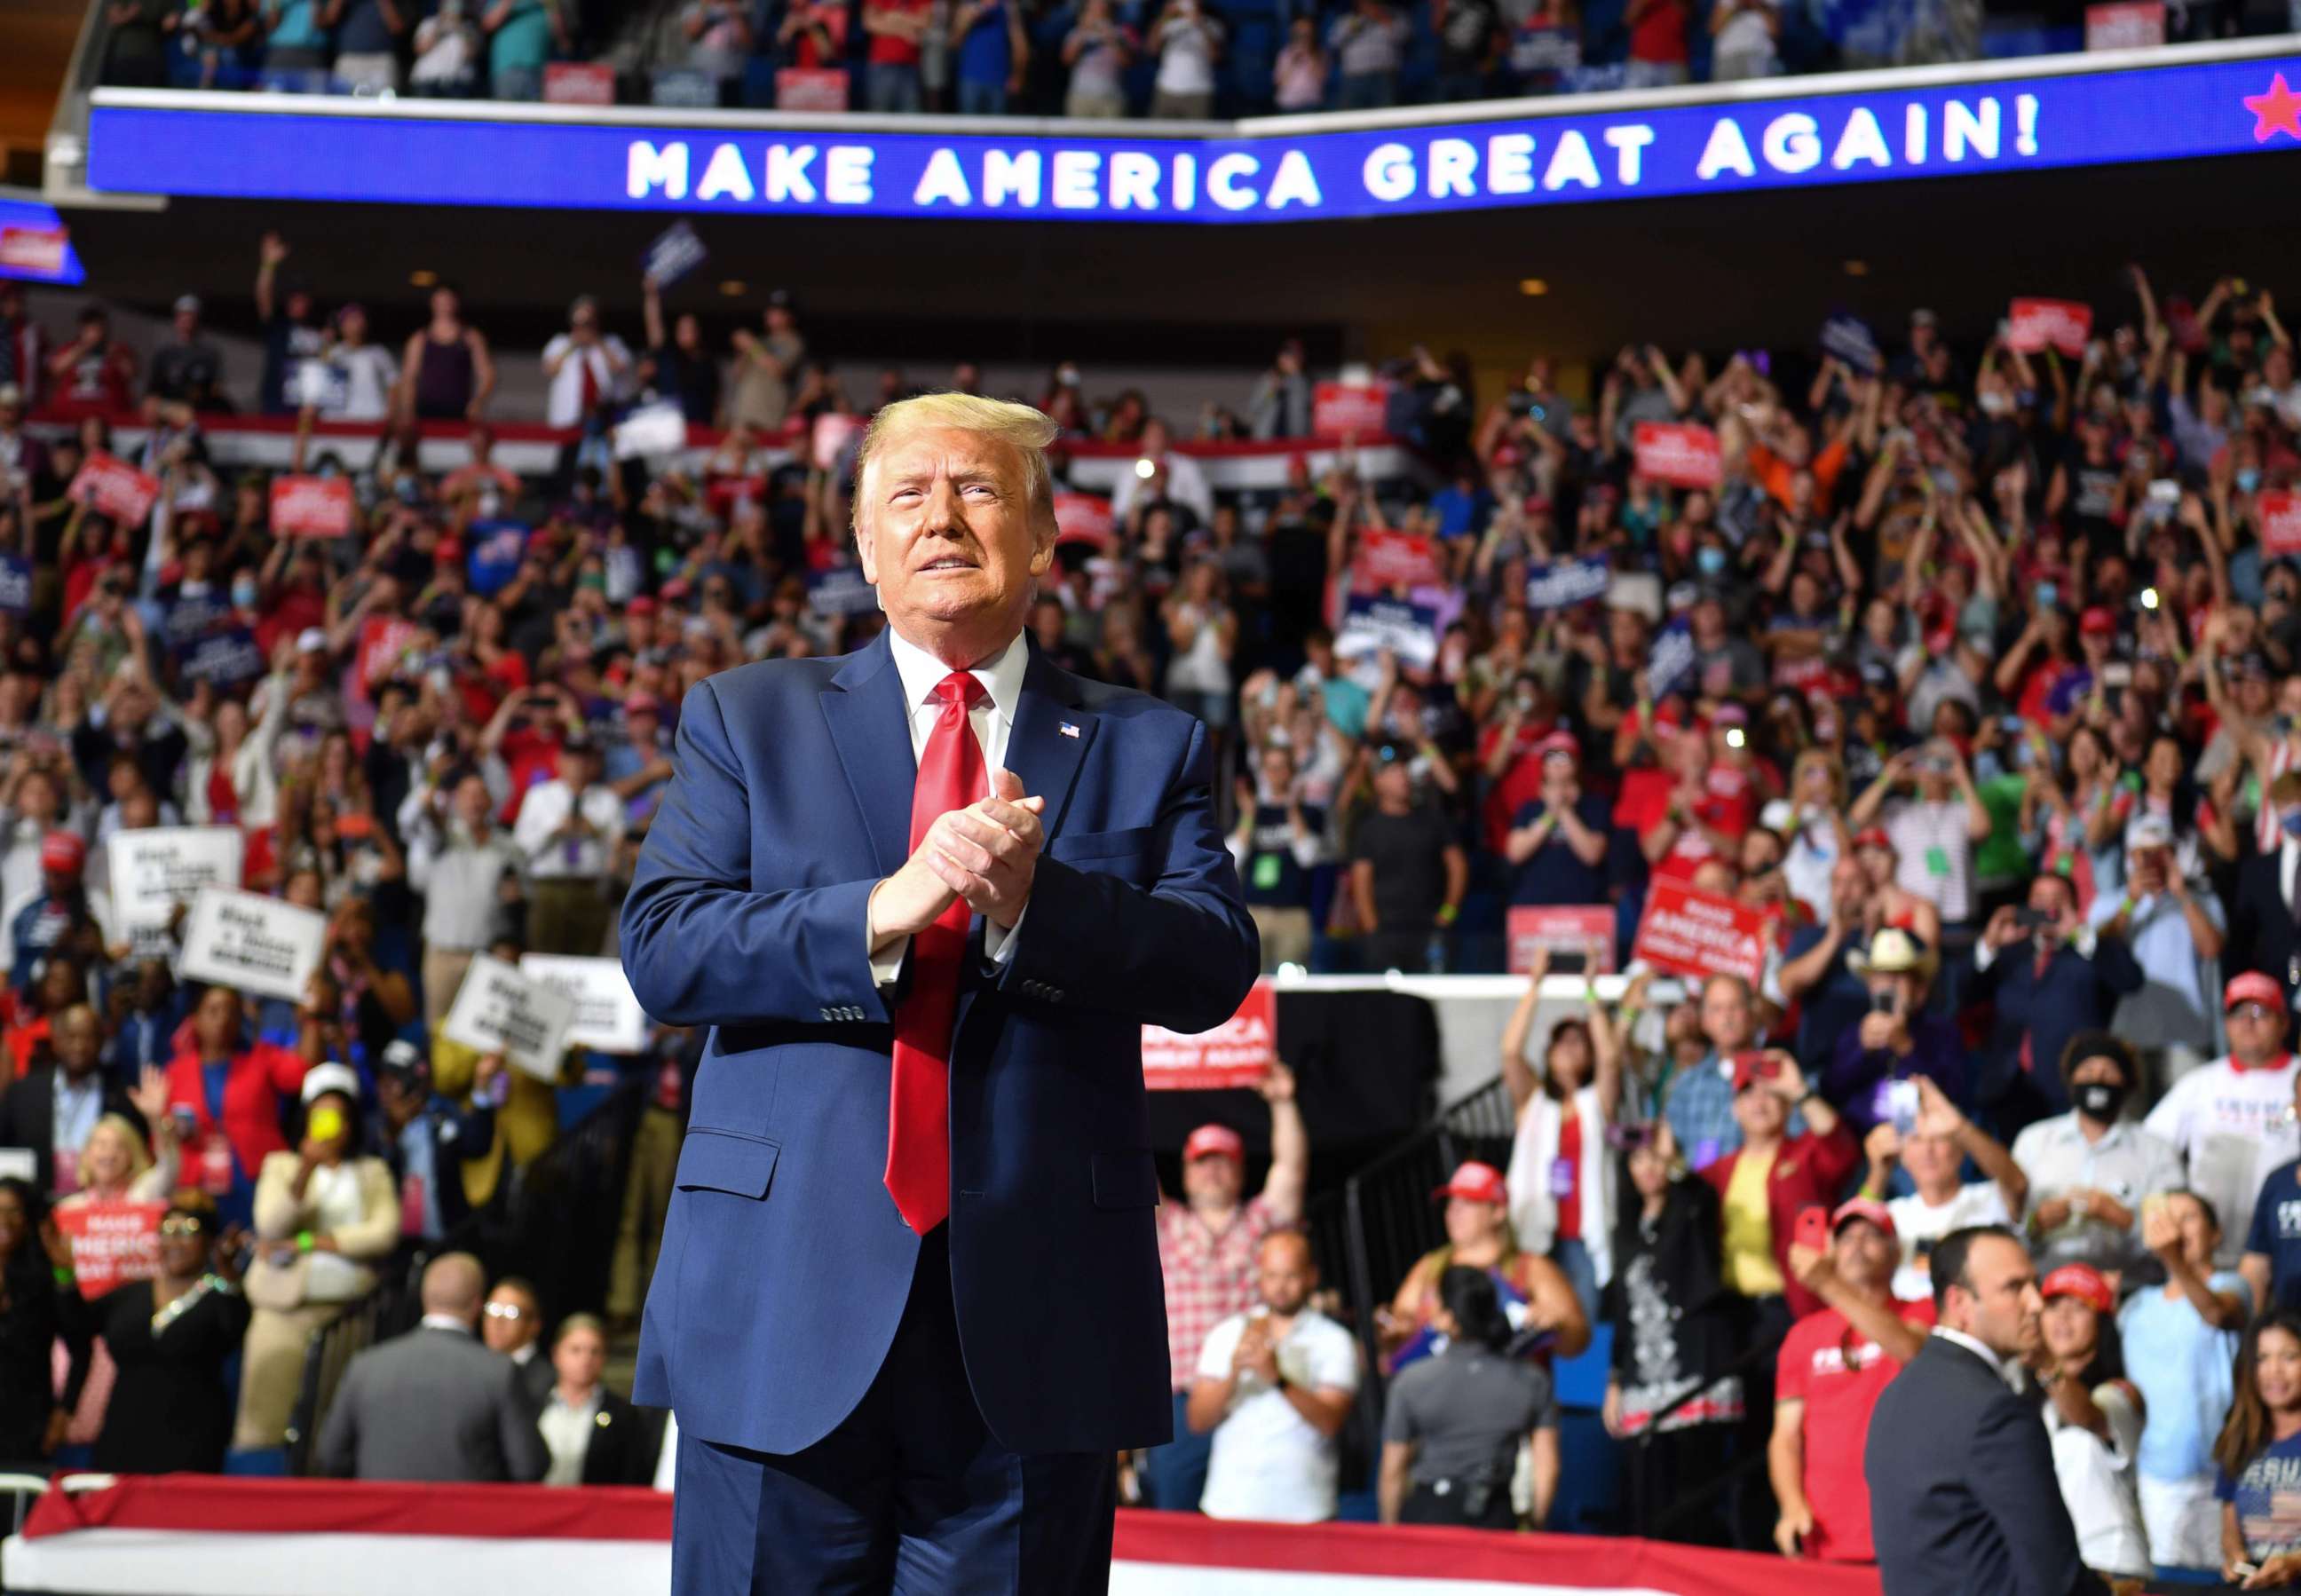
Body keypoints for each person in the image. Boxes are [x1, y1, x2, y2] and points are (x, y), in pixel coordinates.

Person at [618, 392, 1259, 1592]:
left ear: (1045, 533)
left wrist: (1036, 902)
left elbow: (1212, 961)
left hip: (1036, 1329)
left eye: (979, 490)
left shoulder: (1148, 740)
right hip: (777, 1302)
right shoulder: (744, 717)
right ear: (864, 545)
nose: (942, 517)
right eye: (907, 494)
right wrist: (880, 908)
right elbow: (666, 945)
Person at [1864, 1226, 2107, 1596]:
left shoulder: (1893, 1396)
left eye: (2034, 1284)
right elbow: (2056, 1580)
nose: (2036, 1303)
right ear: (1960, 1303)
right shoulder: (1996, 1412)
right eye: (2014, 1288)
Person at [1143, 1065, 1307, 1513]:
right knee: (1176, 1524)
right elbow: (1132, 1156)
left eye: (1224, 1160)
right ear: (1186, 1172)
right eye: (1203, 1161)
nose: (1213, 1171)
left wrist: (1282, 1101)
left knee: (1257, 1519)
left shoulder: (1261, 1223)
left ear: (1239, 1172)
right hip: (1183, 1400)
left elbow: (1291, 1168)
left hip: (1254, 1394)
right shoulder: (1165, 1224)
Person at [233, 1063, 399, 1451]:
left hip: (349, 1313)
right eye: (320, 1114)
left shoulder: (372, 1171)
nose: (331, 1124)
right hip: (283, 1310)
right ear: (305, 1117)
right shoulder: (281, 1166)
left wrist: (309, 1242)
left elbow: (384, 1233)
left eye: (339, 1116)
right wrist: (305, 1169)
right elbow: (271, 1228)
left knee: (332, 1424)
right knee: (265, 1421)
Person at [1601, 1123, 1742, 1545]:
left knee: (1696, 1481)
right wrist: (1614, 1380)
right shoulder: (1625, 1231)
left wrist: (1674, 1161)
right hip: (1644, 1369)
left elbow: (1700, 1199)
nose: (1648, 1169)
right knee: (1649, 1489)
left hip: (1695, 1362)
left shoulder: (1692, 1204)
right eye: (1639, 1160)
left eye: (1656, 1159)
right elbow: (1623, 1311)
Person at [1769, 1199, 1933, 1563]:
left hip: (1905, 1533)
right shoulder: (1803, 1335)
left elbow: (1908, 1348)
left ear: (1896, 1253)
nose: (1857, 1245)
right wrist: (1792, 1507)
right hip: (1825, 1534)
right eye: (1846, 1238)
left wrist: (1827, 1282)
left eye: (1872, 1236)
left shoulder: (1921, 1310)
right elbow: (1785, 1437)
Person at [317, 1252, 549, 1483]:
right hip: (467, 1517)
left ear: (424, 1297)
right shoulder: (499, 1372)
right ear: (478, 1304)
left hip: (383, 1517)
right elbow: (529, 1467)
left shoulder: (365, 1367)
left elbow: (330, 1456)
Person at [1184, 1231, 1358, 1523]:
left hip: (1305, 1510)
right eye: (1272, 1275)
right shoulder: (1228, 1333)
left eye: (1291, 1276)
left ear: (1311, 1277)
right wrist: (1235, 1371)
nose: (1280, 1287)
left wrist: (1277, 1378)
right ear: (1259, 1276)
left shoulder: (1334, 1340)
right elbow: (1198, 1421)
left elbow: (1331, 1422)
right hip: (1230, 1505)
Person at [2122, 1189, 2251, 1572]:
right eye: (2168, 1218)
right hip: (2156, 1477)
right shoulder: (2136, 1306)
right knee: (2170, 1582)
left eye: (2189, 1217)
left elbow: (2215, 1313)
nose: (2176, 1229)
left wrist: (2173, 1259)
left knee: (2225, 1579)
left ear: (2216, 1233)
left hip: (2223, 1475)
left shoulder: (2233, 1285)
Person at [1380, 1265, 1560, 1529]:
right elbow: (1547, 1467)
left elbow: (1393, 1471)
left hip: (1428, 1519)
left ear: (1447, 1318)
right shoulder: (1531, 1381)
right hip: (1497, 1518)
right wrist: (1536, 1526)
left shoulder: (1411, 1381)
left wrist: (1390, 1535)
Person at [1966, 872, 2144, 1134]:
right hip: (2007, 1087)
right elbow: (1966, 995)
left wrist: (2081, 935)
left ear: (2075, 906)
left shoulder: (2091, 949)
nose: (2048, 907)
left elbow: (2130, 981)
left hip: (2068, 1089)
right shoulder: (2010, 951)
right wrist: (1989, 944)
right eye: (2039, 899)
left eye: (2058, 899)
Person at [2147, 973, 2301, 1271]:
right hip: (2211, 1250)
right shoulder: (2201, 1082)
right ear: (2226, 1024)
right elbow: (2152, 1149)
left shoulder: (2299, 1076)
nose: (2248, 1022)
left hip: (2288, 1242)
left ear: (2283, 1022)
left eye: (2260, 1012)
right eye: (2237, 1013)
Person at [1500, 960, 1625, 1317]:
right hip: (1531, 1234)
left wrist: (1590, 989)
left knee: (1580, 1325)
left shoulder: (1595, 1104)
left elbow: (1612, 1058)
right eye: (1562, 1041)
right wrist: (1535, 983)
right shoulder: (1533, 1103)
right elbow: (1510, 1052)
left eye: (1578, 1042)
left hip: (1582, 1237)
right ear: (1549, 1053)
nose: (1570, 1047)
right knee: (1529, 1322)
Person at [91, 1194, 250, 1474]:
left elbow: (235, 1325)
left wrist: (228, 1272)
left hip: (191, 1438)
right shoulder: (130, 1294)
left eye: (187, 1232)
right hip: (123, 1433)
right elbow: (76, 1324)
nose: (174, 1241)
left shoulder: (218, 1294)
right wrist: (63, 1273)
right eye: (166, 1231)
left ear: (209, 1241)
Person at [1380, 1160, 1590, 1370]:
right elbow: (1396, 1329)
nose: (1454, 1211)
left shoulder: (1530, 1269)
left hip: (1508, 1392)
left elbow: (1577, 1341)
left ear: (1498, 1211)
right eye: (1451, 1203)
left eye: (1467, 1202)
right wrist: (1392, 1329)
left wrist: (1555, 1324)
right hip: (1439, 1394)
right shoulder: (1430, 1267)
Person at [1700, 1050, 1855, 1322]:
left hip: (1793, 1305)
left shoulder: (1805, 1154)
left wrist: (1798, 1090)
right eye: (1748, 1094)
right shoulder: (1717, 1171)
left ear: (1787, 1106)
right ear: (1735, 1109)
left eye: (1770, 1093)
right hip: (1731, 1311)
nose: (1759, 1102)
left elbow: (1840, 1147)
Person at [2013, 1031, 2183, 1277]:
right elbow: (2010, 1225)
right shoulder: (2034, 1141)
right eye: (2088, 1071)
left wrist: (2120, 1217)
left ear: (2127, 1082)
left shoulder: (2157, 1150)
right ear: (2071, 1079)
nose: (2098, 1079)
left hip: (2128, 1288)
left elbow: (2177, 1236)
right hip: (2049, 1284)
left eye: (2109, 1071)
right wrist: (2036, 1223)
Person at [2033, 1263, 2150, 1581]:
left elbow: (2088, 1418)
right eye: (2053, 1307)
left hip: (2113, 1566)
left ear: (2102, 1321)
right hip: (2054, 1566)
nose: (2062, 1319)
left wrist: (2045, 1361)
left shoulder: (2123, 1393)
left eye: (2078, 1307)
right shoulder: (2026, 1392)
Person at [1863, 1076, 2028, 1300]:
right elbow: (1853, 1240)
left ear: (1961, 1151)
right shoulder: (1893, 1214)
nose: (1928, 1151)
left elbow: (2018, 1184)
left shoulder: (1990, 1198)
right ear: (1903, 1157)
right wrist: (1878, 1172)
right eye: (1916, 1140)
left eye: (1940, 1139)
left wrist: (1959, 1127)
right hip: (1909, 1326)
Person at [162, 983, 311, 1227]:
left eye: (231, 1011)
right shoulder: (176, 1072)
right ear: (195, 1020)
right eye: (213, 1010)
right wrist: (165, 1124)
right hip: (197, 1186)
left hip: (257, 1180)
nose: (223, 1018)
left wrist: (311, 1019)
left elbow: (301, 1074)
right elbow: (163, 1136)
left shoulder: (261, 1058)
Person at [0, 1002, 144, 1194]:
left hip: (99, 1205)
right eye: (71, 1037)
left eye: (88, 1037)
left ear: (101, 1042)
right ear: (56, 1041)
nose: (79, 1046)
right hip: (36, 1205)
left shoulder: (122, 1095)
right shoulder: (23, 1092)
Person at [1349, 742, 1466, 973]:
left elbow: (1457, 866)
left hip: (1431, 927)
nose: (1402, 777)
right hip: (1387, 930)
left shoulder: (1433, 819)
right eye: (1392, 772)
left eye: (1403, 770)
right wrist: (1373, 929)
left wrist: (1448, 913)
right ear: (1378, 782)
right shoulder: (1369, 829)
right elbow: (1360, 882)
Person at [2213, 1308, 2301, 1588]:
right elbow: (2230, 1530)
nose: (2274, 1370)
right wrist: (2235, 1559)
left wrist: (2294, 1564)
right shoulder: (2239, 1437)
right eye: (2262, 1358)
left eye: (2289, 1357)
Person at [537, 1313, 652, 1486]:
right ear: (556, 1354)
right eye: (575, 1350)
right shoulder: (531, 1402)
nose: (586, 1359)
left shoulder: (623, 1414)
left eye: (594, 1351)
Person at [483, 1275, 553, 1408]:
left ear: (534, 1325)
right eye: (493, 1309)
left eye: (511, 1313)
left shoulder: (548, 1382)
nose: (497, 1320)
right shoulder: (474, 1366)